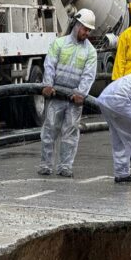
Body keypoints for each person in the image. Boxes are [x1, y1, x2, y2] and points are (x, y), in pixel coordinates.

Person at [37, 9, 98, 177]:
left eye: (89, 30)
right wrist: (47, 85)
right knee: (49, 131)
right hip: (56, 95)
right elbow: (50, 65)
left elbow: (88, 75)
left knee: (70, 134)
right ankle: (46, 166)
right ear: (76, 25)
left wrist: (81, 93)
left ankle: (65, 167)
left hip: (74, 99)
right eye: (84, 29)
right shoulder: (59, 43)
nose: (86, 33)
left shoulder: (90, 52)